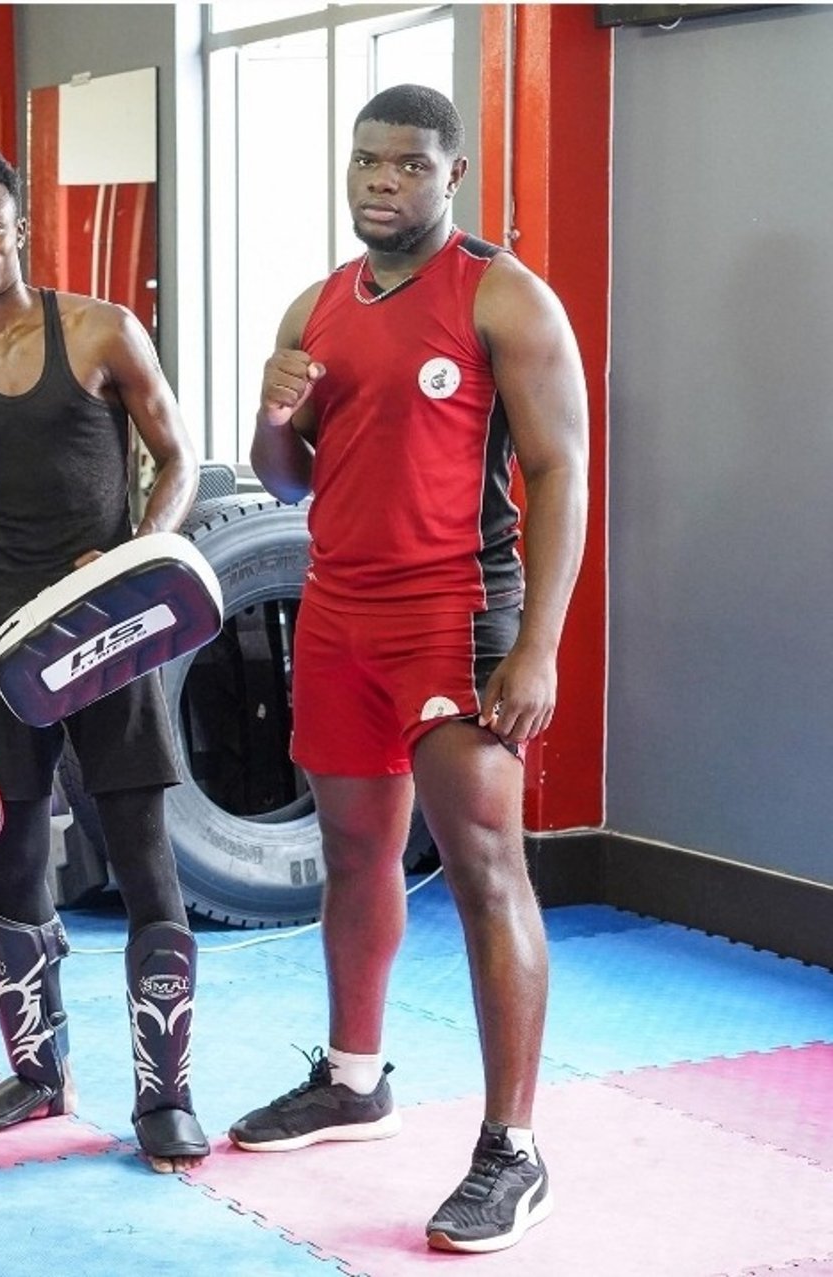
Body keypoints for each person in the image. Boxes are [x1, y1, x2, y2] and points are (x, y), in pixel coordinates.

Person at [233, 85, 588, 1255]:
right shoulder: (317, 304)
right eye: (366, 163)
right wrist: (276, 410)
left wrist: (535, 641)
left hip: (456, 610)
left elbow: (563, 471)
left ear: (454, 174)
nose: (382, 181)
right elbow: (284, 478)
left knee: (488, 867)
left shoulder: (501, 296)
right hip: (337, 608)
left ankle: (512, 1147)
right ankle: (353, 1077)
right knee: (352, 850)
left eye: (408, 165)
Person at [0, 145, 207, 1175]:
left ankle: (166, 1092)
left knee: (142, 847)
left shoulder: (101, 331)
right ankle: (40, 1072)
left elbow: (178, 460)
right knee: (15, 854)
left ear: (21, 226)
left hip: (108, 627)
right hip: (3, 639)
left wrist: (138, 556)